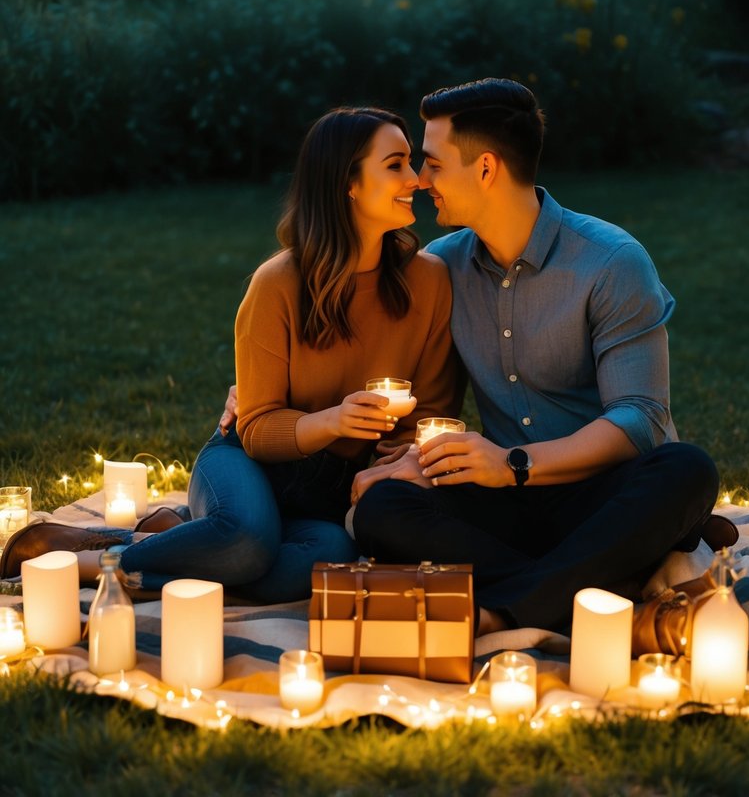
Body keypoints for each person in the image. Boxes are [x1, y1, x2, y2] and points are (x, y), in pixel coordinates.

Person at [0, 107, 463, 600]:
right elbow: (257, 428)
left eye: (411, 162)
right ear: (346, 183)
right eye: (395, 164)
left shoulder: (428, 281)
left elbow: (431, 417)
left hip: (327, 493)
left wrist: (392, 464)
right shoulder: (277, 284)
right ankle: (85, 561)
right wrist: (333, 421)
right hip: (246, 461)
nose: (414, 179)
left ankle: (170, 536)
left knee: (324, 561)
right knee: (245, 543)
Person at [352, 78, 727, 637]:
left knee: (687, 469)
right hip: (511, 508)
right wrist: (272, 393)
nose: (420, 181)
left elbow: (640, 419)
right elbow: (386, 358)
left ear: (484, 169)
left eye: (432, 164)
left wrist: (512, 465)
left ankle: (503, 609)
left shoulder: (611, 261)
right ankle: (599, 585)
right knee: (384, 510)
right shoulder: (442, 266)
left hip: (604, 494)